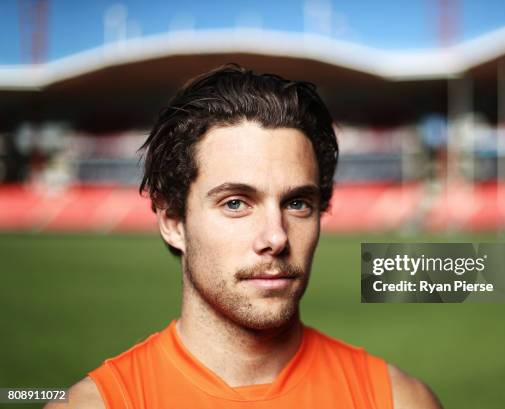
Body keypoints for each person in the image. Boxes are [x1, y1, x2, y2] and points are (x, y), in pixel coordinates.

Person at [47, 64, 442, 409]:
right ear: (173, 221)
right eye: (236, 203)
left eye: (298, 204)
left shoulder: (399, 401)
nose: (275, 237)